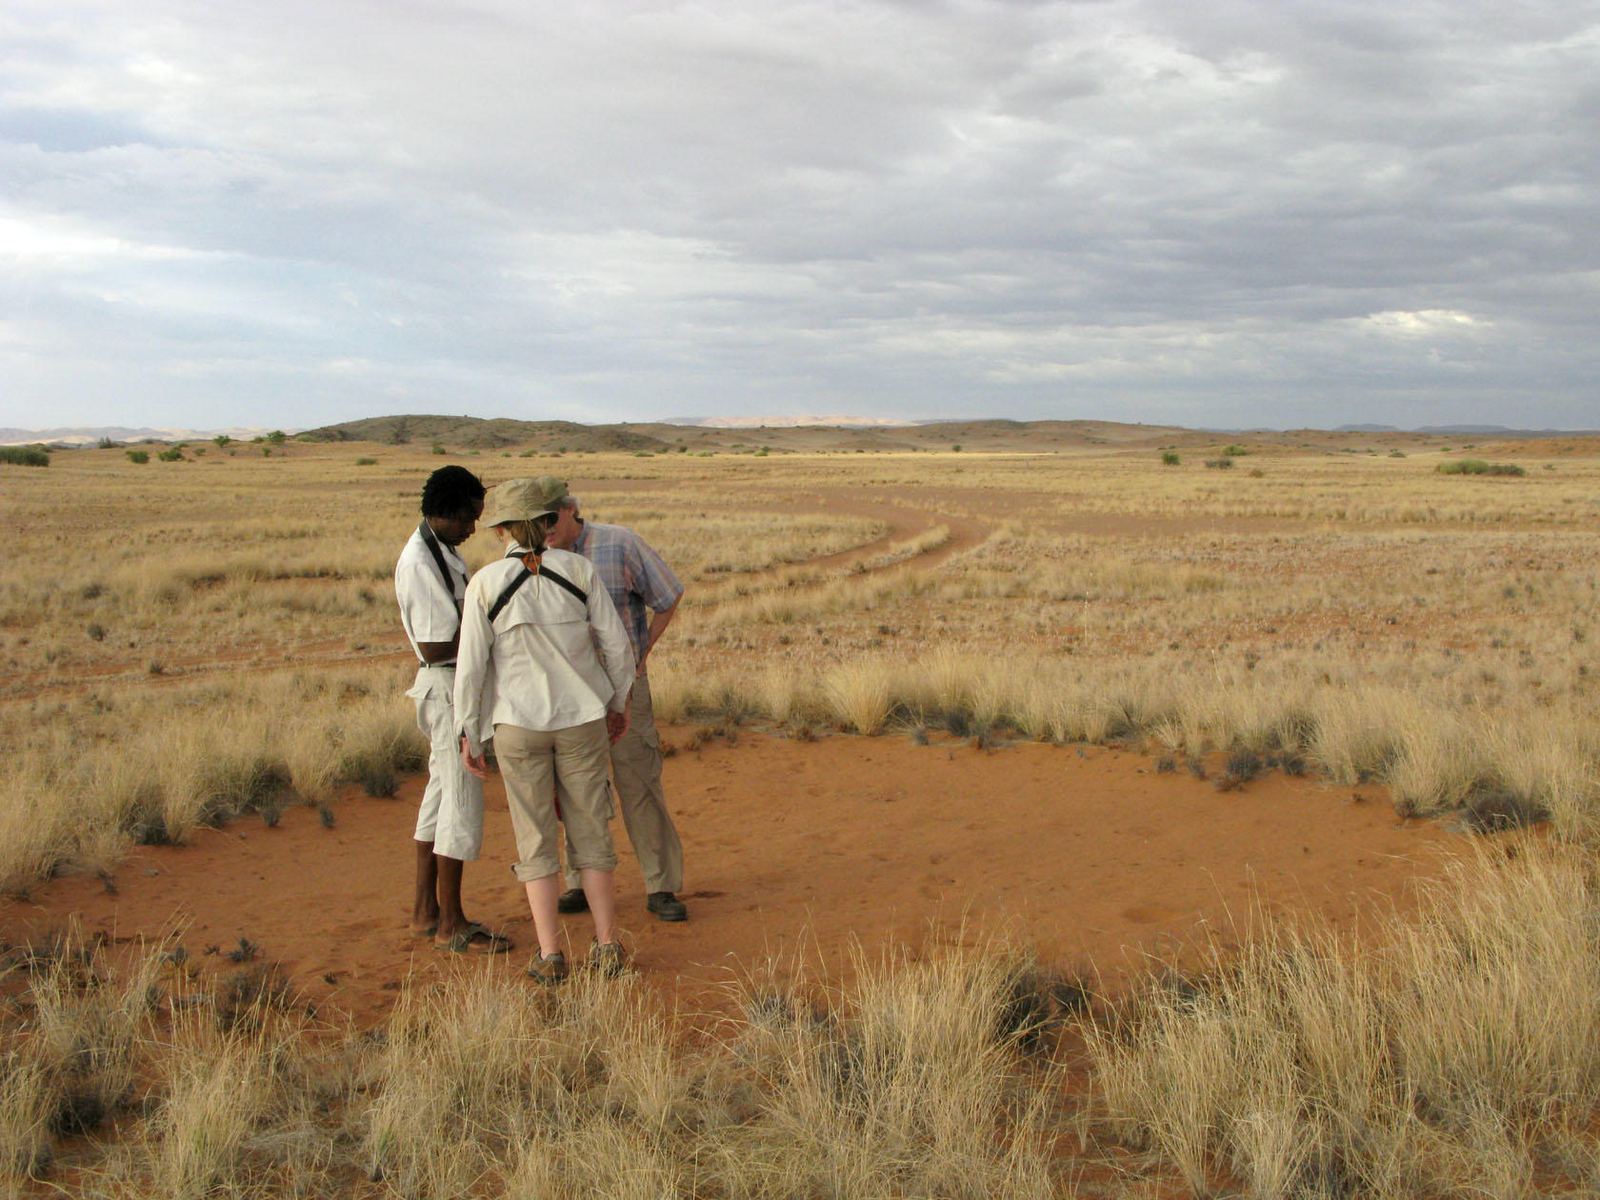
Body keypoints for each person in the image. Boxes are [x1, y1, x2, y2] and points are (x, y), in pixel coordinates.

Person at [454, 478, 638, 984]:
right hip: (582, 719)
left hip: (517, 725)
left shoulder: (485, 584)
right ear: (550, 521)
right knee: (591, 830)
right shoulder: (578, 570)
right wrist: (617, 702)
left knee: (533, 839)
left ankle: (551, 954)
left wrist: (468, 731)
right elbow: (618, 649)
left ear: (503, 531)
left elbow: (470, 669)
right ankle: (607, 946)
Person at [536, 477, 690, 923]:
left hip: (623, 688)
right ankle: (578, 881)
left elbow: (669, 594)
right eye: (536, 519)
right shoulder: (536, 557)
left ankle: (661, 886)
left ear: (570, 510)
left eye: (550, 517)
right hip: (568, 693)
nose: (544, 527)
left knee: (639, 781)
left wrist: (640, 655)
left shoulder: (619, 543)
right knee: (576, 786)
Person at [393, 465, 509, 955]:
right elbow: (436, 643)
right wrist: (492, 629)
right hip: (447, 690)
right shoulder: (421, 561)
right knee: (461, 802)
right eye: (469, 517)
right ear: (448, 509)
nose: (473, 528)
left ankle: (426, 912)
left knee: (439, 800)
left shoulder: (439, 552)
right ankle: (452, 924)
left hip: (446, 689)